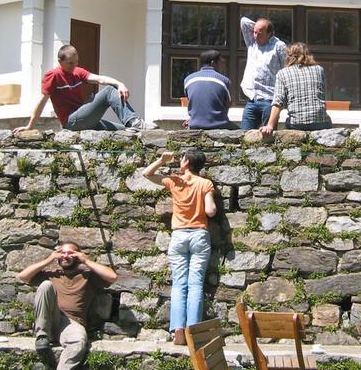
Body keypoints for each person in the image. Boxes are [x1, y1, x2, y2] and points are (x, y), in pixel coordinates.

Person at [16, 241, 117, 370]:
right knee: (45, 286)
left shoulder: (87, 276)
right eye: (62, 252)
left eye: (71, 253)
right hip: (51, 318)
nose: (66, 255)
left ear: (78, 255)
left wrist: (86, 260)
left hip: (72, 323)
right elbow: (22, 276)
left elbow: (112, 276)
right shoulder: (51, 274)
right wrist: (49, 259)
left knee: (79, 342)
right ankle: (42, 335)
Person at [143, 149, 217, 346]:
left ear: (185, 163)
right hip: (199, 235)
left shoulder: (174, 181)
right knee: (195, 285)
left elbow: (146, 174)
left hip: (179, 235)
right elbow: (210, 211)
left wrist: (161, 160)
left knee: (179, 284)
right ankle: (192, 331)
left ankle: (178, 329)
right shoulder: (205, 183)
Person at [14, 44, 153, 133]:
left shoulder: (77, 72)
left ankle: (134, 125)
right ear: (60, 61)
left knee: (125, 131)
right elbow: (42, 101)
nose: (73, 66)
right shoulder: (53, 76)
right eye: (69, 63)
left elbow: (99, 79)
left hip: (84, 118)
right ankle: (134, 121)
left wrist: (120, 83)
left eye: (76, 63)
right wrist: (30, 126)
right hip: (71, 121)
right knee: (109, 91)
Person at [260, 42, 333, 134]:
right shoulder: (319, 69)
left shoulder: (282, 73)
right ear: (308, 55)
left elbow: (278, 102)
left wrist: (270, 125)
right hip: (320, 122)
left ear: (289, 56)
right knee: (327, 121)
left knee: (289, 123)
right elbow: (323, 94)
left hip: (296, 124)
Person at [239, 16, 287, 130]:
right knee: (244, 135)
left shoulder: (279, 46)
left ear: (270, 34)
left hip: (269, 100)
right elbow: (243, 21)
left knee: (267, 137)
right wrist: (259, 26)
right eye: (255, 32)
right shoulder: (252, 42)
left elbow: (286, 69)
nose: (255, 36)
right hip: (251, 99)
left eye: (260, 34)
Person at [184, 50, 235, 130]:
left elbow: (190, 100)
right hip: (219, 125)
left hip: (194, 125)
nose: (223, 65)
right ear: (213, 63)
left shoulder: (188, 80)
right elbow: (229, 103)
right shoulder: (224, 81)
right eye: (221, 62)